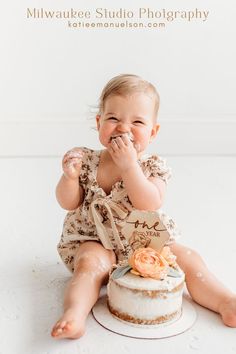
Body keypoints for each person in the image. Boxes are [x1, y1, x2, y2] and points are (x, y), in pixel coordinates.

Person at [51, 74, 236, 339]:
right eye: (113, 118)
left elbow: (149, 202)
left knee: (188, 258)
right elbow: (68, 202)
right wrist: (69, 178)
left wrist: (129, 166)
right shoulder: (87, 159)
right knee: (90, 265)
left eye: (137, 121)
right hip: (93, 239)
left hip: (142, 239)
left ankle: (225, 301)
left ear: (153, 131)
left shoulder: (152, 166)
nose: (124, 128)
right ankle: (74, 315)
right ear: (99, 122)